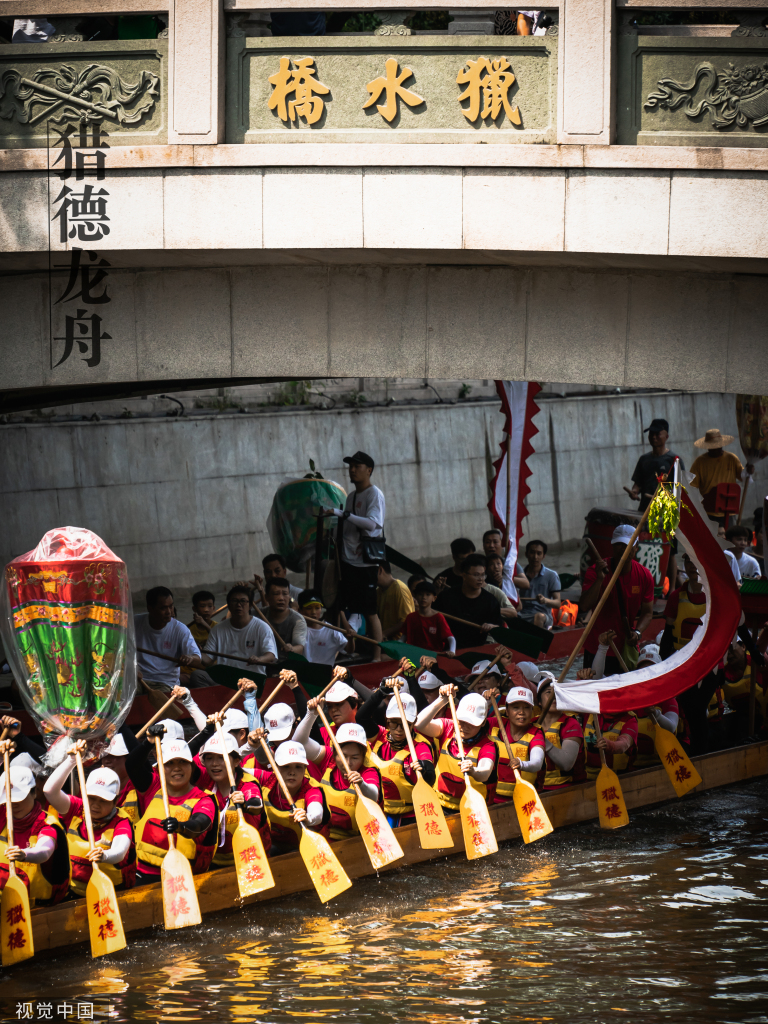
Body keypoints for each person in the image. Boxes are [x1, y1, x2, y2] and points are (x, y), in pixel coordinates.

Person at [126, 728, 218, 884]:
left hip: (183, 878)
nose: (177, 768)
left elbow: (200, 824)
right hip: (142, 875)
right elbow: (131, 765)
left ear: (192, 766)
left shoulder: (204, 799)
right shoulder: (152, 787)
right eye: (170, 763)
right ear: (160, 768)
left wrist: (181, 827)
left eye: (183, 762)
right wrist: (148, 742)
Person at [44, 743, 136, 896]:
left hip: (110, 893)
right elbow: (50, 791)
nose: (95, 805)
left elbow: (119, 852)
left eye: (103, 800)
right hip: (74, 891)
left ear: (115, 801)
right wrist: (71, 760)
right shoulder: (76, 808)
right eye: (91, 798)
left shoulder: (121, 821)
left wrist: (104, 855)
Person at [320, 450, 386, 657]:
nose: (352, 470)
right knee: (338, 605)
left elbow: (373, 524)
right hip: (347, 561)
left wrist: (342, 513)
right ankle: (339, 652)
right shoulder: (351, 496)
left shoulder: (374, 494)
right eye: (351, 466)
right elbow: (347, 528)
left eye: (357, 466)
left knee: (370, 611)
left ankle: (377, 657)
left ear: (369, 470)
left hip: (365, 563)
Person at [357, 678, 436, 827]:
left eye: (405, 724)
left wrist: (425, 769)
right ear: (387, 721)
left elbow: (430, 775)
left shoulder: (419, 746)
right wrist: (380, 693)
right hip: (380, 812)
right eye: (394, 723)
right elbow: (361, 717)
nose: (399, 729)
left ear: (413, 723)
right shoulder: (379, 736)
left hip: (411, 816)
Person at [294, 715, 383, 842]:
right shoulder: (328, 758)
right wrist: (311, 714)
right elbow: (298, 743)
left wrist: (362, 783)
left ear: (363, 756)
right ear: (335, 753)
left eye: (355, 757)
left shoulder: (368, 770)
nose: (348, 763)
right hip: (330, 835)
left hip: (363, 838)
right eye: (343, 756)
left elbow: (373, 796)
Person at [579, 524, 654, 673]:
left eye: (627, 545)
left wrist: (638, 633)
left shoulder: (645, 575)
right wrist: (600, 579)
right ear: (612, 546)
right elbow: (584, 606)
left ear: (636, 547)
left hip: (625, 647)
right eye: (619, 544)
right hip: (596, 646)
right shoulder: (595, 571)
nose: (623, 549)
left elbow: (647, 612)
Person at [0, 750, 69, 905]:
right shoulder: (2, 814)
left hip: (39, 905)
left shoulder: (46, 824)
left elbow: (45, 850)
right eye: (9, 799)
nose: (13, 804)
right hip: (5, 901)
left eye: (20, 798)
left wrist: (24, 854)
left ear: (34, 793)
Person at [197, 724, 270, 867]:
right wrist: (207, 731)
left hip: (250, 860)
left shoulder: (248, 784)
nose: (214, 764)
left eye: (221, 757)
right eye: (209, 758)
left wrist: (245, 804)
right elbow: (183, 762)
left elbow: (256, 804)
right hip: (213, 861)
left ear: (237, 761)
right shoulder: (205, 778)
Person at [414, 687, 498, 811]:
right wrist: (442, 700)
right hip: (440, 804)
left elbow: (484, 773)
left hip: (472, 808)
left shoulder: (488, 745)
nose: (465, 727)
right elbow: (419, 724)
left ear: (483, 722)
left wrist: (473, 771)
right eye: (462, 721)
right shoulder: (448, 727)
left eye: (471, 723)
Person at [247, 737, 330, 855]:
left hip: (307, 848)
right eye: (286, 766)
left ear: (305, 768)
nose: (292, 772)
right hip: (274, 845)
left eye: (298, 767)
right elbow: (234, 770)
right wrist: (249, 746)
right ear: (275, 767)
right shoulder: (267, 779)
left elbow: (317, 813)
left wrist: (308, 818)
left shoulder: (311, 789)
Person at [191, 586, 277, 688]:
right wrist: (195, 653)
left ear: (250, 605)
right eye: (234, 601)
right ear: (229, 605)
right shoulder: (217, 629)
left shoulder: (262, 627)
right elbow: (208, 660)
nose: (239, 605)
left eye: (243, 601)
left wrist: (259, 659)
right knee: (197, 675)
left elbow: (271, 655)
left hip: (251, 680)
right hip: (225, 679)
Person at [486, 681, 545, 798]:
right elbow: (472, 725)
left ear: (532, 711)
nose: (521, 712)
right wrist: (486, 702)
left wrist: (521, 764)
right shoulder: (495, 723)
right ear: (507, 711)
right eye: (516, 707)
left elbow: (537, 763)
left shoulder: (536, 733)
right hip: (492, 797)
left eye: (526, 708)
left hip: (524, 797)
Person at [134, 587, 201, 689]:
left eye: (171, 606)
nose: (169, 612)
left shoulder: (180, 629)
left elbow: (197, 659)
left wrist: (190, 658)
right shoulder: (134, 623)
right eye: (163, 608)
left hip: (165, 682)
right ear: (150, 609)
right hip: (138, 678)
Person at [627, 645, 681, 769]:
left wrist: (655, 713)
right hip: (635, 764)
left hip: (664, 762)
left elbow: (671, 727)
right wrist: (603, 648)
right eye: (642, 670)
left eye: (651, 670)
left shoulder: (668, 697)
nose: (646, 674)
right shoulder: (630, 698)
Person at [434, 554, 503, 649]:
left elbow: (499, 627)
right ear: (464, 575)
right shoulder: (447, 596)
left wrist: (491, 627)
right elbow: (432, 616)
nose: (480, 579)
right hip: (449, 648)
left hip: (478, 648)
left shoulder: (490, 600)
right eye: (476, 575)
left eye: (483, 575)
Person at [690, 428, 753, 522]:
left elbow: (743, 477)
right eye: (713, 447)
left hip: (728, 509)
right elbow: (692, 486)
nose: (716, 449)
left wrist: (748, 471)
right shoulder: (699, 462)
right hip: (708, 510)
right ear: (708, 447)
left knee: (729, 531)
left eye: (718, 446)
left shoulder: (731, 458)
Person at [535, 675, 585, 790]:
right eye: (549, 692)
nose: (554, 696)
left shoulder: (571, 724)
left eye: (557, 692)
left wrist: (542, 739)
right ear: (539, 702)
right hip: (535, 788)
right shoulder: (531, 723)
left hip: (565, 789)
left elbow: (566, 764)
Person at [626, 419, 684, 513]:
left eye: (657, 434)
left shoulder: (674, 460)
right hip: (645, 511)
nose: (653, 437)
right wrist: (635, 491)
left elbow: (681, 489)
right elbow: (638, 484)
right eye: (651, 434)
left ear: (666, 437)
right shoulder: (644, 459)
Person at [660, 553, 706, 659]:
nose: (692, 566)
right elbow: (667, 634)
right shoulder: (675, 597)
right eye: (689, 561)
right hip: (680, 658)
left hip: (706, 658)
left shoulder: (715, 597)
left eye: (697, 562)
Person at [580, 707, 638, 780]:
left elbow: (625, 743)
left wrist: (610, 745)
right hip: (587, 776)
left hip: (618, 777)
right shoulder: (590, 712)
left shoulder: (630, 720)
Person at [299, 590, 354, 665]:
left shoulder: (331, 630)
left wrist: (351, 639)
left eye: (317, 608)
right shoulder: (297, 629)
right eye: (309, 608)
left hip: (325, 671)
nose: (313, 612)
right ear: (300, 611)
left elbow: (349, 650)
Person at [518, 540, 561, 629]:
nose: (535, 557)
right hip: (521, 614)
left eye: (539, 553)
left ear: (543, 556)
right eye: (532, 552)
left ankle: (538, 637)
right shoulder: (519, 575)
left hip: (543, 616)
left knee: (538, 617)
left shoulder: (551, 575)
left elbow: (557, 603)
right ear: (526, 554)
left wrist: (545, 600)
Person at [403, 582, 455, 653]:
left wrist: (452, 651)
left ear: (434, 598)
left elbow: (451, 638)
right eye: (420, 594)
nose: (424, 597)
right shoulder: (411, 617)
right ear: (415, 596)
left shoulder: (438, 617)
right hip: (414, 655)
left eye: (428, 594)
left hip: (433, 656)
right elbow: (403, 638)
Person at [99, 731, 140, 823]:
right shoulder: (97, 787)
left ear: (129, 759)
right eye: (105, 756)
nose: (106, 761)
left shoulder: (142, 788)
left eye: (113, 756)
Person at [263, 577, 307, 655]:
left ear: (289, 596)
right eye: (276, 594)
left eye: (285, 594)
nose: (281, 598)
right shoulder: (258, 614)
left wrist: (292, 649)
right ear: (267, 597)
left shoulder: (297, 620)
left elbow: (300, 648)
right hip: (261, 660)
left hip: (286, 662)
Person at [482, 529, 530, 599]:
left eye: (495, 542)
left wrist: (505, 578)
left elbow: (526, 584)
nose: (491, 545)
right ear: (483, 546)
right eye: (488, 542)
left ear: (502, 545)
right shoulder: (479, 563)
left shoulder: (509, 563)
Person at [376, 561, 415, 641]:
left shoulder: (400, 589)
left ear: (380, 570)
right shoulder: (378, 591)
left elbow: (406, 621)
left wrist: (383, 634)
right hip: (385, 641)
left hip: (398, 643)